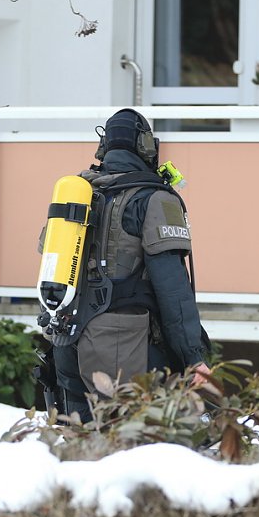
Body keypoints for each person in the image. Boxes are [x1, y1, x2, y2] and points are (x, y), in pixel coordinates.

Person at [41, 108, 211, 421]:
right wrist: (193, 356)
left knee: (78, 437)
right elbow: (173, 290)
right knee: (129, 441)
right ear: (147, 146)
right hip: (118, 346)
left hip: (65, 340)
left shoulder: (78, 193)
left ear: (103, 146)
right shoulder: (154, 199)